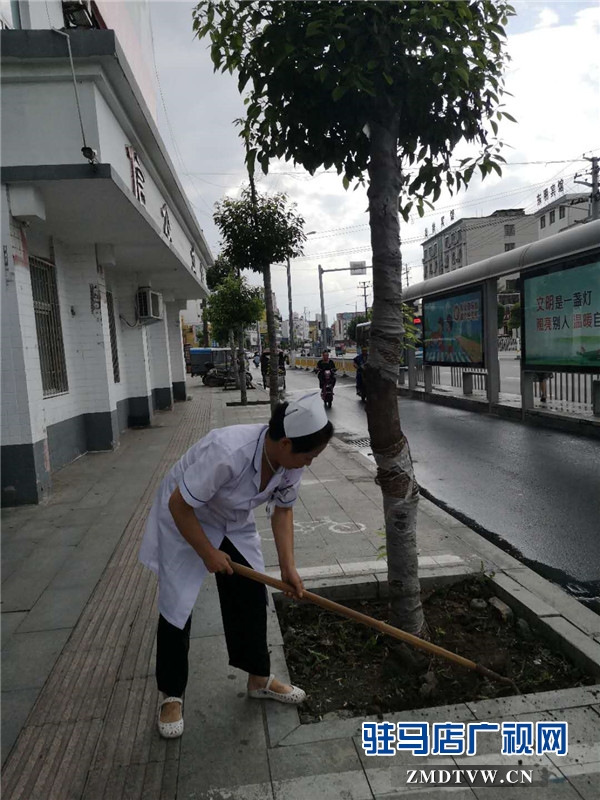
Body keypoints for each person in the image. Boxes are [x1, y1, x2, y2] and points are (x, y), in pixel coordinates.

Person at [139, 392, 334, 738]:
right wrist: (207, 553)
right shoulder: (229, 451)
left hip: (231, 519)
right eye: (309, 455)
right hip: (186, 516)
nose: (310, 463)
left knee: (251, 593)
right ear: (286, 443)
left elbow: (283, 511)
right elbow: (179, 505)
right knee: (177, 605)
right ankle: (171, 694)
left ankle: (259, 677)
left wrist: (288, 567)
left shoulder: (289, 464)